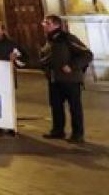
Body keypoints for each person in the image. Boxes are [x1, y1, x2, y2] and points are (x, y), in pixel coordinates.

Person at [40, 15, 93, 144]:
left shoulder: (67, 38)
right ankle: (58, 130)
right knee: (56, 106)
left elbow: (87, 54)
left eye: (47, 22)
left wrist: (72, 66)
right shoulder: (50, 40)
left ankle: (77, 134)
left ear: (56, 25)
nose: (43, 25)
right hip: (55, 78)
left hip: (71, 80)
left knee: (74, 107)